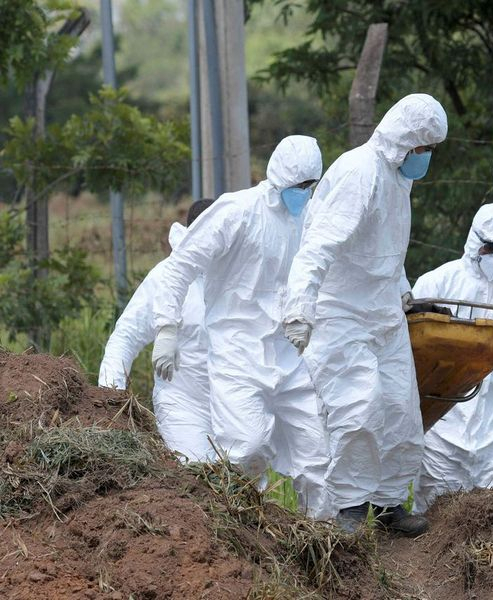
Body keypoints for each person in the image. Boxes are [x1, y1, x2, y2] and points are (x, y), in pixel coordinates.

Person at [282, 94, 448, 535]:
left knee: (400, 409)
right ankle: (350, 507)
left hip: (382, 312)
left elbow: (385, 252)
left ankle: (389, 504)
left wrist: (407, 295)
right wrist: (300, 307)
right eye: (424, 149)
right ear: (405, 143)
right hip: (341, 312)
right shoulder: (361, 172)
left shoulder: (397, 178)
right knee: (359, 406)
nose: (426, 158)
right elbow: (319, 246)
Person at [151, 135, 331, 519]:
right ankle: (240, 527)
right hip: (237, 352)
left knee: (316, 451)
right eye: (299, 186)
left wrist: (303, 316)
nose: (305, 193)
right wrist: (167, 328)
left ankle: (326, 539)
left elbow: (319, 270)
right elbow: (180, 266)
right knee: (245, 448)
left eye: (310, 186)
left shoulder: (308, 219)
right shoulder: (236, 212)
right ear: (280, 178)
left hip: (288, 352)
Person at [411, 203, 493, 513]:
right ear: (474, 243)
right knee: (432, 530)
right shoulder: (436, 283)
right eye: (490, 247)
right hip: (441, 435)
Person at [98, 198, 214, 463]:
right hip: (184, 405)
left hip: (235, 403)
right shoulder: (166, 278)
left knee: (248, 484)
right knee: (197, 474)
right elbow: (126, 337)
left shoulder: (239, 274)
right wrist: (111, 400)